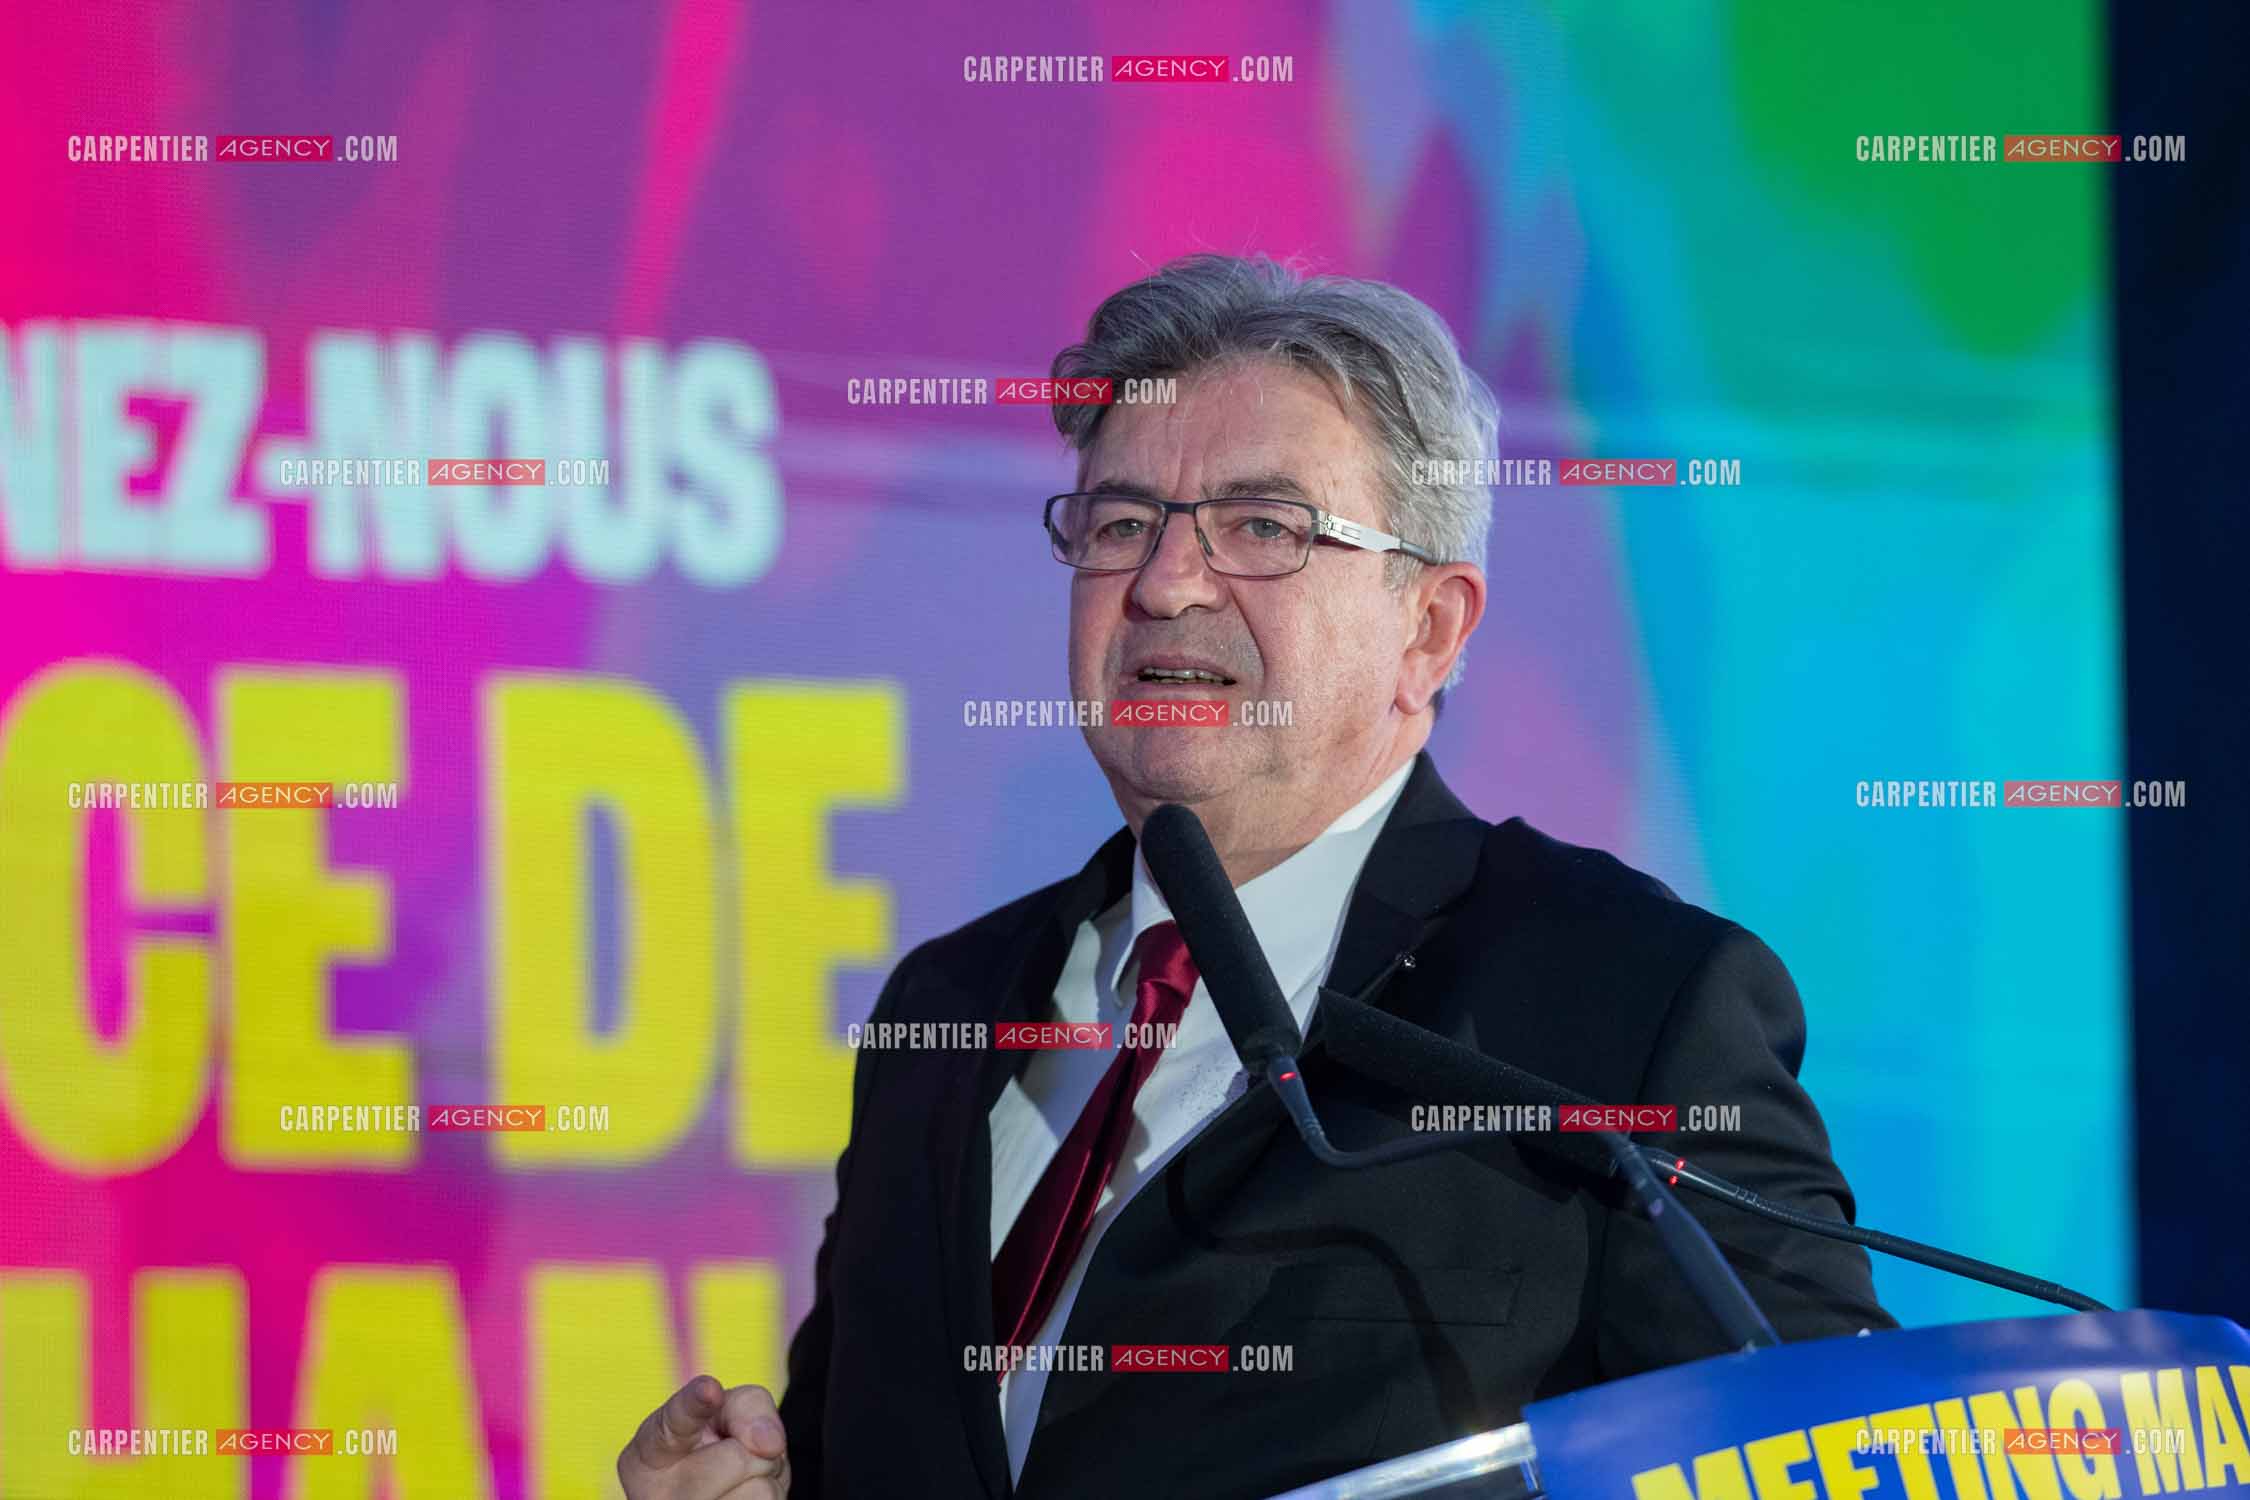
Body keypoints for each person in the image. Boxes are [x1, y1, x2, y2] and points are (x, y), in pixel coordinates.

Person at [617, 254, 1890, 1500]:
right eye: (1122, 523)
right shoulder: (942, 1015)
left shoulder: (1624, 1007)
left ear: (1429, 629)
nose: (1166, 584)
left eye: (1263, 527)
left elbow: (1822, 1455)